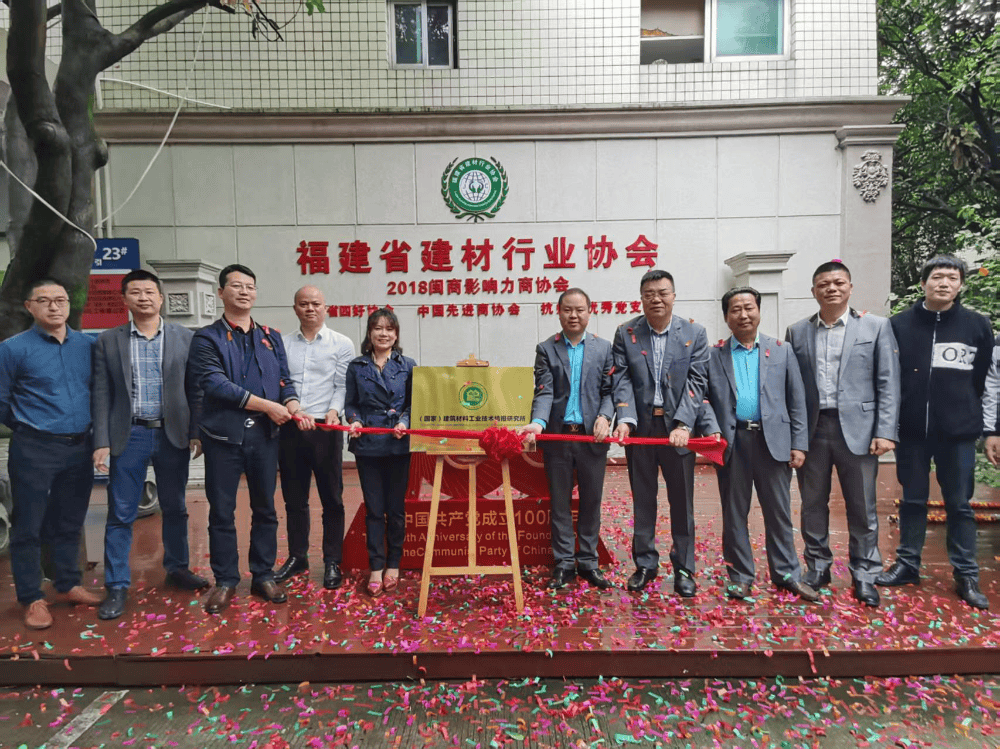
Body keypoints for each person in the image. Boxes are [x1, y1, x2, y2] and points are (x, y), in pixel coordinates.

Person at [186, 264, 307, 614]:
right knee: (222, 511)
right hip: (223, 437)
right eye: (236, 286)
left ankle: (263, 574)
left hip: (265, 438)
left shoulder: (270, 336)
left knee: (265, 508)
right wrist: (268, 406)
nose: (244, 292)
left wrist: (293, 404)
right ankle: (225, 580)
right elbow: (215, 384)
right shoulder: (206, 338)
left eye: (250, 286)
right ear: (220, 293)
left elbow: (284, 380)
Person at [876, 255, 992, 610]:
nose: (944, 283)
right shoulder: (898, 324)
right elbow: (888, 376)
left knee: (959, 504)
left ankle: (966, 574)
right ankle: (907, 564)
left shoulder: (977, 325)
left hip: (958, 433)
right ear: (923, 282)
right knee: (912, 501)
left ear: (961, 285)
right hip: (912, 431)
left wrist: (989, 428)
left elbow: (986, 379)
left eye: (952, 278)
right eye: (937, 277)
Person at [92, 269, 209, 621]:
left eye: (149, 292)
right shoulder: (108, 340)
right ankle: (116, 584)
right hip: (128, 434)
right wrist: (101, 441)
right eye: (136, 292)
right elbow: (101, 393)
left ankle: (177, 568)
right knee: (121, 512)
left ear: (160, 298)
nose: (143, 298)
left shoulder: (185, 337)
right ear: (124, 299)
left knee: (175, 506)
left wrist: (196, 430)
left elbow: (196, 389)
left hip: (172, 433)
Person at [785, 261, 900, 608]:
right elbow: (792, 387)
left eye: (838, 283)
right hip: (813, 430)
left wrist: (885, 431)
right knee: (812, 504)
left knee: (862, 506)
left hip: (860, 431)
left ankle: (865, 573)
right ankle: (818, 567)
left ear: (850, 287)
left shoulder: (876, 327)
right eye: (824, 284)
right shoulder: (797, 332)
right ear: (813, 291)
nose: (831, 289)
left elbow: (888, 381)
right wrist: (794, 436)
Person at [699, 288, 818, 602]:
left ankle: (787, 574)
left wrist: (799, 444)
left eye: (749, 308)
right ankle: (740, 576)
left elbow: (797, 400)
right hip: (733, 443)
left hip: (773, 442)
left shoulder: (781, 351)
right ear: (726, 317)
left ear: (759, 311)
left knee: (779, 512)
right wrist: (712, 432)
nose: (743, 315)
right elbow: (703, 400)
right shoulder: (713, 355)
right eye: (735, 309)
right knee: (734, 513)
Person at [0, 279, 101, 629]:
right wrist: (29, 425)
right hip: (34, 447)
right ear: (29, 306)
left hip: (80, 446)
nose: (54, 306)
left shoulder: (88, 346)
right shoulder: (12, 349)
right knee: (28, 524)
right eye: (44, 300)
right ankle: (32, 597)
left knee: (69, 520)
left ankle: (68, 583)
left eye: (60, 300)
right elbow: (2, 400)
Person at [611, 269, 710, 595]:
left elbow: (697, 381)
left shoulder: (694, 333)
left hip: (677, 429)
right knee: (643, 499)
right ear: (641, 298)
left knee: (682, 501)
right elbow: (621, 379)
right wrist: (625, 418)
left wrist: (684, 424)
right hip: (640, 428)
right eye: (649, 294)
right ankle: (645, 564)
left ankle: (684, 569)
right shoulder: (626, 333)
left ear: (673, 296)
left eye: (663, 292)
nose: (656, 299)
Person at [520, 288, 615, 590]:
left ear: (589, 312)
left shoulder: (604, 348)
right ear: (558, 312)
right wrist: (538, 423)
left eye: (579, 310)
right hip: (558, 437)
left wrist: (605, 416)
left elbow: (609, 391)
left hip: (592, 439)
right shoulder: (546, 349)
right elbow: (544, 391)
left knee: (591, 501)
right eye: (568, 310)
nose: (574, 315)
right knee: (560, 503)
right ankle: (563, 564)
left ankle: (588, 562)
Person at [274, 285, 356, 590]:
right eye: (304, 304)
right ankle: (298, 557)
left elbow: (342, 385)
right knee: (294, 499)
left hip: (326, 428)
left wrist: (334, 411)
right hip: (291, 426)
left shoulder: (342, 344)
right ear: (295, 308)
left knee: (332, 498)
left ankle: (333, 560)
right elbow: (281, 382)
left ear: (326, 308)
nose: (310, 308)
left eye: (316, 304)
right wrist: (293, 410)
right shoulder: (282, 345)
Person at [345, 308, 416, 597]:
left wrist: (405, 422)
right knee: (374, 509)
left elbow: (414, 403)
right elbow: (351, 403)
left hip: (398, 443)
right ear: (369, 333)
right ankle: (376, 567)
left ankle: (393, 565)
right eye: (378, 328)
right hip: (368, 444)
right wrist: (355, 420)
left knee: (395, 509)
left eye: (389, 328)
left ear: (396, 335)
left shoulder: (408, 365)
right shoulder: (356, 366)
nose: (383, 333)